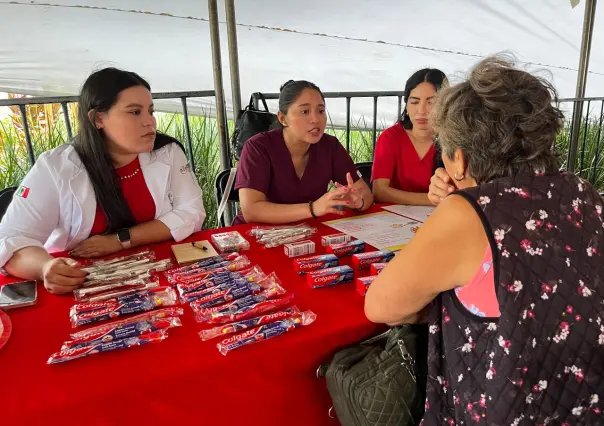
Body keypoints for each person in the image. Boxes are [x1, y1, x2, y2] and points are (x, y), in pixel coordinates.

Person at [365, 56, 604, 424]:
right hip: (586, 399)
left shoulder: (467, 214)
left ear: (458, 160)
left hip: (505, 405)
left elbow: (381, 307)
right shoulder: (581, 190)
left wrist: (458, 206)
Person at [0, 68, 206, 294]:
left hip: (157, 276)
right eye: (135, 112)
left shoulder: (167, 152)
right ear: (98, 118)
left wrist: (119, 240)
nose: (150, 122)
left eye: (150, 111)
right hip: (80, 283)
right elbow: (10, 240)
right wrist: (45, 267)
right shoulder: (56, 167)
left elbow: (192, 212)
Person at [234, 80, 373, 225]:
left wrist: (358, 201)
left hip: (306, 232)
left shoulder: (330, 146)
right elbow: (251, 211)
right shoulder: (258, 147)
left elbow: (365, 194)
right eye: (305, 112)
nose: (315, 119)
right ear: (282, 118)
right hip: (256, 235)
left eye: (320, 111)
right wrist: (313, 209)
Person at [371, 68, 447, 205]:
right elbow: (379, 191)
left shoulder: (455, 140)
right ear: (406, 104)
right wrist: (432, 199)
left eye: (431, 102)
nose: (421, 111)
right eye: (414, 102)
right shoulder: (390, 138)